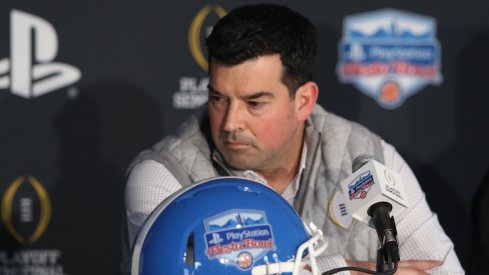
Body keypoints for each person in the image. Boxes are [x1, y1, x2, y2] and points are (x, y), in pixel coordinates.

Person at [124, 3, 464, 274]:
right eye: (218, 98)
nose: (230, 122)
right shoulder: (163, 177)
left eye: (254, 103)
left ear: (303, 101)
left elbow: (442, 270)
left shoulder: (366, 157)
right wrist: (348, 270)